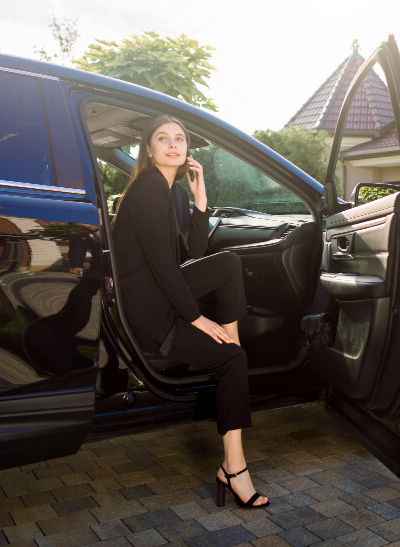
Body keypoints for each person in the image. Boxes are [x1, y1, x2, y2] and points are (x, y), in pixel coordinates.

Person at [111, 114, 267, 508]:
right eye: (162, 139)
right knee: (234, 361)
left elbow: (193, 256)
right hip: (151, 314)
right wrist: (197, 318)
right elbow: (165, 267)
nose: (173, 144)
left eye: (179, 139)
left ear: (186, 150)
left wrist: (200, 203)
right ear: (148, 150)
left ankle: (231, 350)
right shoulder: (147, 189)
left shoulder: (171, 192)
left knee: (228, 264)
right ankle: (234, 470)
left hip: (161, 297)